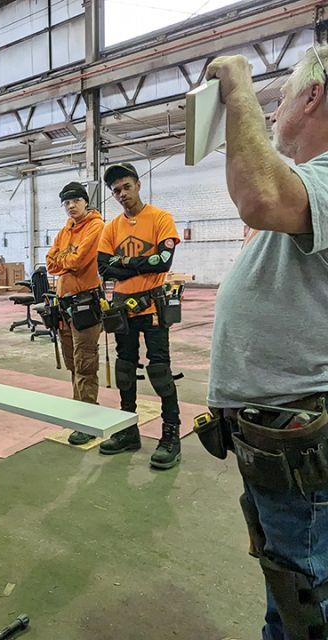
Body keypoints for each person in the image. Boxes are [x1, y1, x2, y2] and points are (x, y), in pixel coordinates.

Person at [202, 47, 328, 640]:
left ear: (313, 97)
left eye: (280, 100)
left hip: (302, 447)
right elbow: (260, 193)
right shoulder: (306, 188)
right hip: (279, 442)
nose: (272, 112)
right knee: (290, 587)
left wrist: (239, 87)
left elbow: (260, 196)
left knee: (309, 598)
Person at [97, 163, 181, 469]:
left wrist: (125, 262)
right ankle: (127, 430)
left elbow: (164, 261)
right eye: (116, 190)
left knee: (160, 370)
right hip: (122, 309)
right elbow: (104, 268)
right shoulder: (111, 227)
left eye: (126, 187)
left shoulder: (160, 218)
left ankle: (170, 434)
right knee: (124, 368)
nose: (121, 194)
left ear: (138, 185)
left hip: (153, 308)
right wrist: (143, 262)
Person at [46, 182, 104, 445]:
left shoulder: (95, 226)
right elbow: (49, 261)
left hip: (85, 304)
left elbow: (78, 261)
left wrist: (64, 260)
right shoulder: (65, 230)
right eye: (66, 203)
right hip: (64, 304)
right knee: (72, 362)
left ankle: (88, 419)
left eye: (75, 201)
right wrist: (64, 261)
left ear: (85, 202)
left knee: (85, 362)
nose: (71, 206)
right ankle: (79, 409)